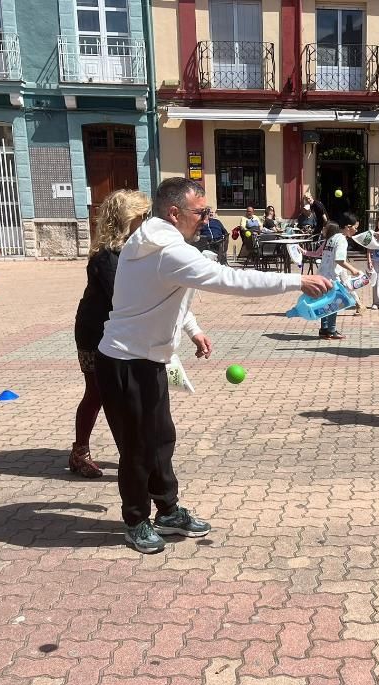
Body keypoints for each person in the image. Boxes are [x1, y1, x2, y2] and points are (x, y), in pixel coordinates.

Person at [95, 178, 332, 553]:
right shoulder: (165, 250)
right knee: (138, 448)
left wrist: (193, 330)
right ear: (175, 213)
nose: (207, 218)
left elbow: (167, 296)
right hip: (126, 361)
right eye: (201, 211)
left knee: (161, 439)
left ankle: (167, 511)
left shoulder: (159, 243)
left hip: (147, 359)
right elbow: (229, 279)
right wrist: (296, 280)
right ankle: (136, 520)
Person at [71, 190, 152, 480]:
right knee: (97, 394)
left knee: (125, 395)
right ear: (126, 219)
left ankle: (132, 453)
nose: (146, 221)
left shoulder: (132, 251)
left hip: (119, 332)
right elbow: (122, 298)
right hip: (95, 333)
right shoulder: (107, 256)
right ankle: (80, 452)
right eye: (142, 216)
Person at [317, 213, 362, 337]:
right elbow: (340, 260)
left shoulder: (331, 237)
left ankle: (324, 328)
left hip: (322, 274)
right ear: (348, 227)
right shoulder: (342, 240)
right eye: (355, 228)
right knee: (334, 303)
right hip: (332, 277)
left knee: (325, 302)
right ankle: (331, 330)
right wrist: (353, 270)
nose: (356, 230)